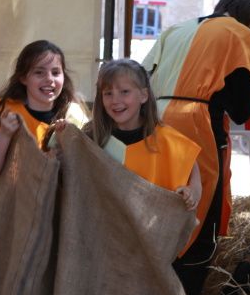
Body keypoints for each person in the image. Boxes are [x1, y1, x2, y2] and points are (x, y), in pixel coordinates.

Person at [142, 0, 250, 295]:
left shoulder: (175, 30)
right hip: (197, 128)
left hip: (152, 124)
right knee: (200, 220)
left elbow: (141, 76)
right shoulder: (240, 36)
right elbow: (244, 107)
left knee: (156, 210)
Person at [84, 58, 202, 214]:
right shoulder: (93, 137)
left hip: (148, 232)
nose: (115, 100)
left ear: (144, 95)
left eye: (124, 92)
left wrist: (192, 191)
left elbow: (192, 167)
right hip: (106, 230)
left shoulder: (167, 140)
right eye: (108, 93)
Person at [0, 40, 80, 181]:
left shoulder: (74, 116)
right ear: (23, 78)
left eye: (56, 72)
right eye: (39, 72)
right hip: (16, 200)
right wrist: (4, 133)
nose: (49, 79)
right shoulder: (3, 112)